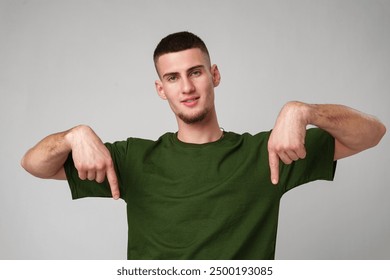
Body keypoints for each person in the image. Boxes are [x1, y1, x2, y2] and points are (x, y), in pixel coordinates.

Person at [21, 31, 386, 259]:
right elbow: (35, 164)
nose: (187, 87)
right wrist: (74, 134)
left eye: (195, 72)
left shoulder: (267, 153)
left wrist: (304, 111)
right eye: (173, 77)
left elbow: (373, 133)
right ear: (160, 89)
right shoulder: (132, 158)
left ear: (214, 75)